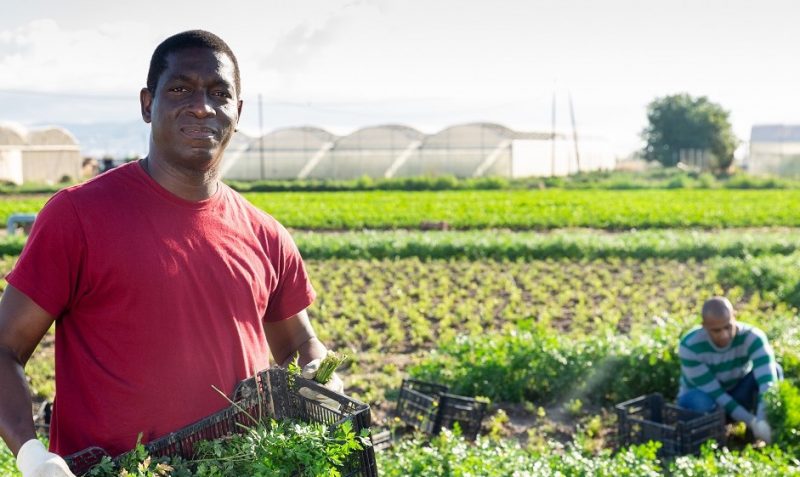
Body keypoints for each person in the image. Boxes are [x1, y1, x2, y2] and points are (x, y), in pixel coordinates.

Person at [0, 30, 341, 477]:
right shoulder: (78, 216)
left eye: (219, 94)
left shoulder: (266, 234)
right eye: (181, 89)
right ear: (147, 104)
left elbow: (298, 343)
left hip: (241, 467)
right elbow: (5, 347)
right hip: (115, 470)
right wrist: (32, 454)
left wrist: (321, 371)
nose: (202, 106)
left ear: (237, 113)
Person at [678, 296, 782, 443]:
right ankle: (713, 437)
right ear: (704, 326)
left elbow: (767, 382)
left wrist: (762, 418)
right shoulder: (690, 346)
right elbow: (716, 393)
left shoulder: (752, 337)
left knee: (775, 370)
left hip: (737, 391)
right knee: (702, 402)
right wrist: (751, 421)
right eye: (716, 331)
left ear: (734, 317)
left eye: (728, 327)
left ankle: (761, 432)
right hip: (704, 398)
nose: (724, 335)